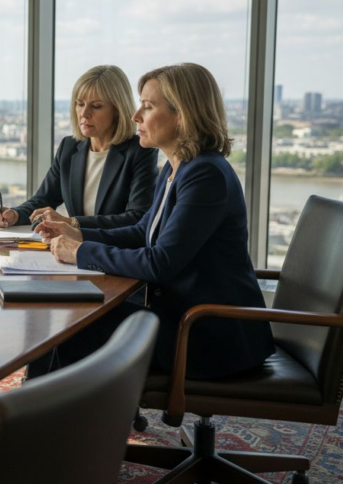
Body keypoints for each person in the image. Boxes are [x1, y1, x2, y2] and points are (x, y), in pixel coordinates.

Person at [35, 63, 275, 380]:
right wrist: (78, 234)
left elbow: (160, 262)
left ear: (182, 115)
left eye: (147, 107)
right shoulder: (177, 167)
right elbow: (141, 232)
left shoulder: (206, 175)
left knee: (75, 324)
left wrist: (80, 253)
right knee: (70, 317)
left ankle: (44, 420)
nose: (135, 116)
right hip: (179, 315)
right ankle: (40, 415)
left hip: (206, 333)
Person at [0, 65, 157, 231]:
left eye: (96, 106)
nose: (84, 113)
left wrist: (72, 223)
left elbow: (137, 217)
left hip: (113, 252)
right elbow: (43, 200)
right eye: (79, 104)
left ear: (117, 110)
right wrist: (15, 215)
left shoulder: (140, 151)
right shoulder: (69, 147)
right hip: (70, 250)